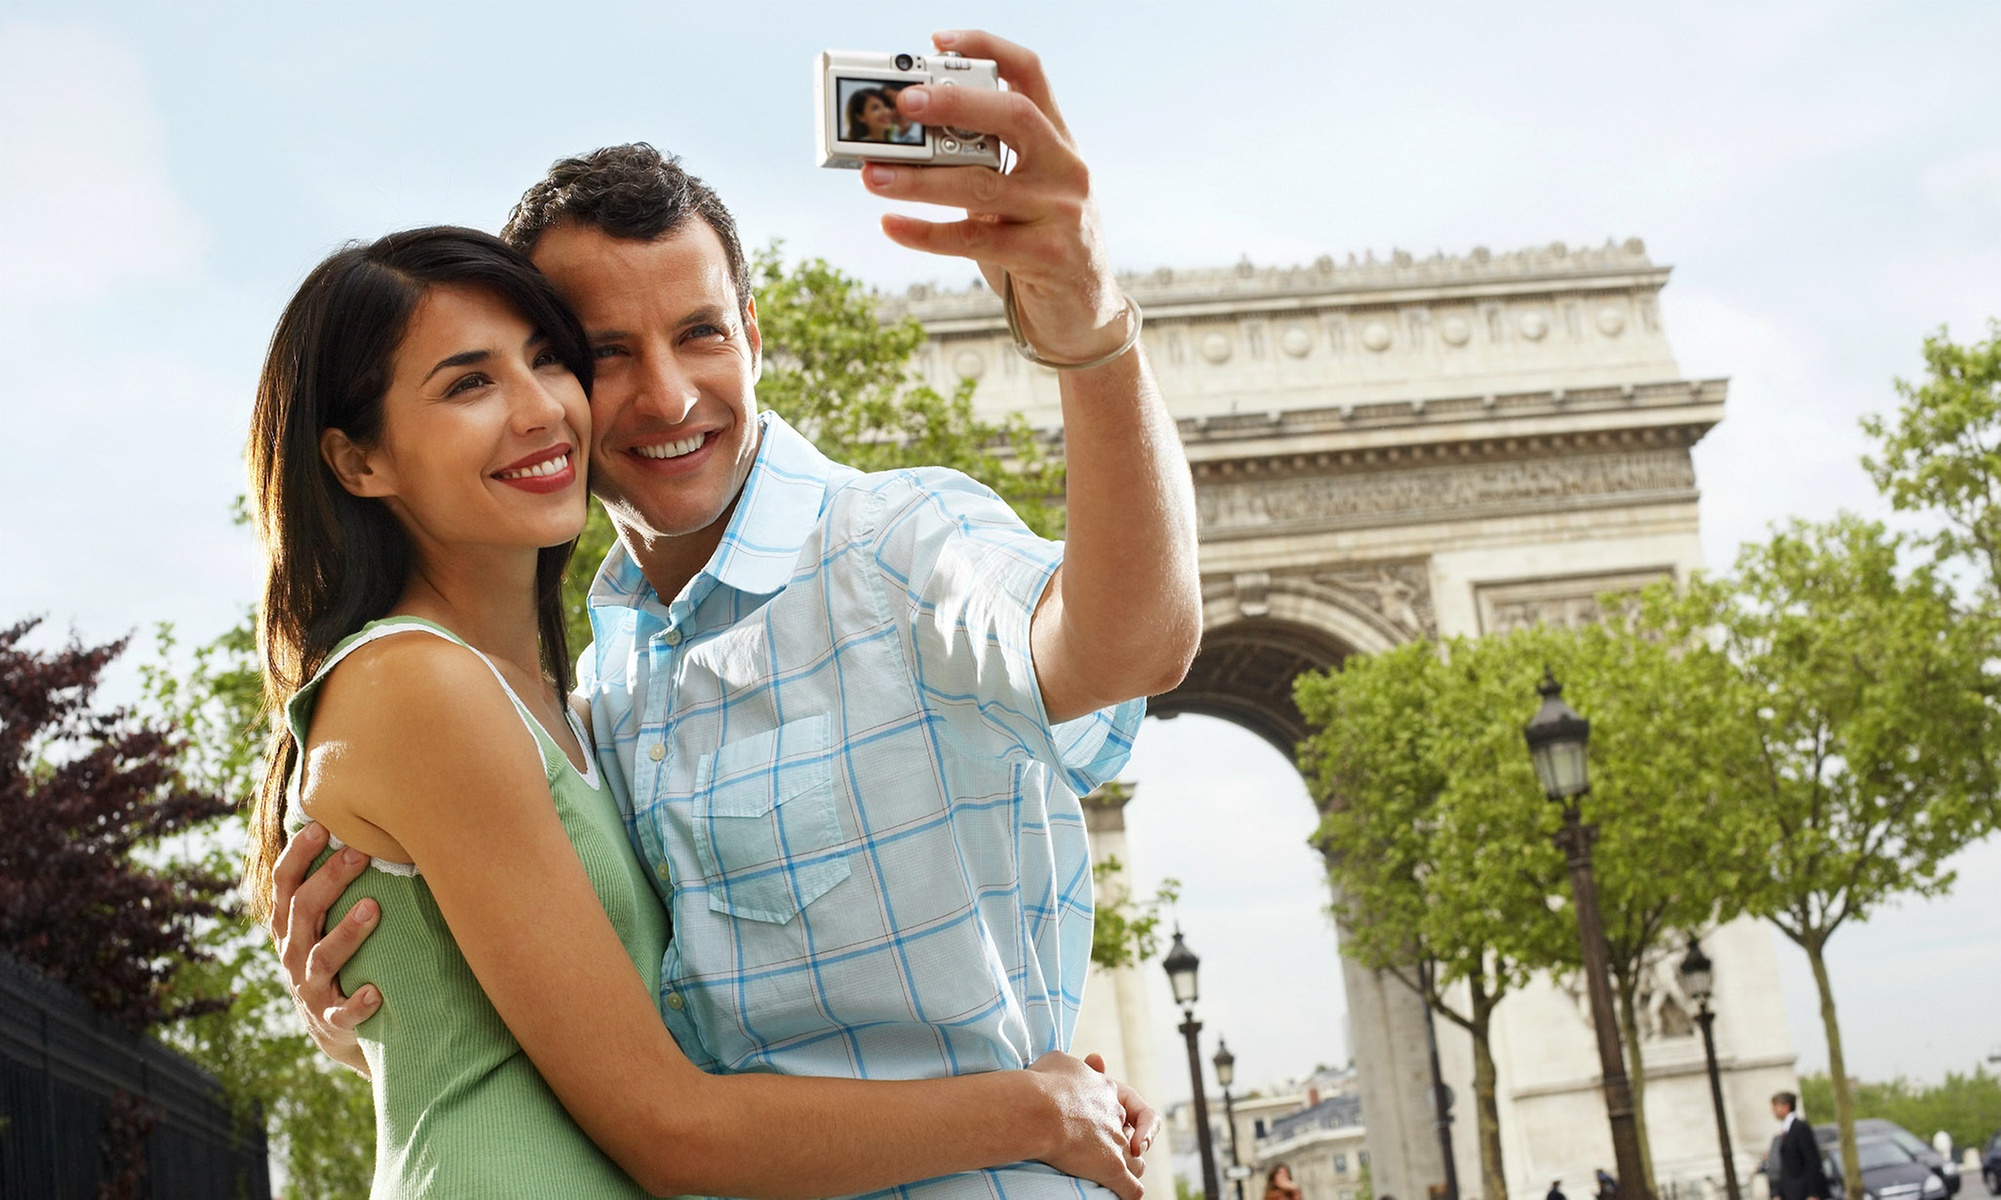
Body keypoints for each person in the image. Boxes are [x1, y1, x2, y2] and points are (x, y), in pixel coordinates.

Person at [273, 27, 1200, 1200]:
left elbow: (1134, 642)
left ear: (756, 342)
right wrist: (388, 1012)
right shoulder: (588, 691)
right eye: (603, 352)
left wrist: (1091, 324)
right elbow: (628, 1075)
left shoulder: (898, 549)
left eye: (701, 334)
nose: (666, 395)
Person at [1771, 1091, 1831, 1200]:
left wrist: (1814, 1193)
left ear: (1786, 1106)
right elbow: (1786, 1166)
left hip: (1803, 1192)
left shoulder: (1800, 1128)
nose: (1773, 1110)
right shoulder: (1787, 1130)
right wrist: (1779, 1193)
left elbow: (1812, 1160)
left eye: (1776, 1106)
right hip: (1792, 1193)